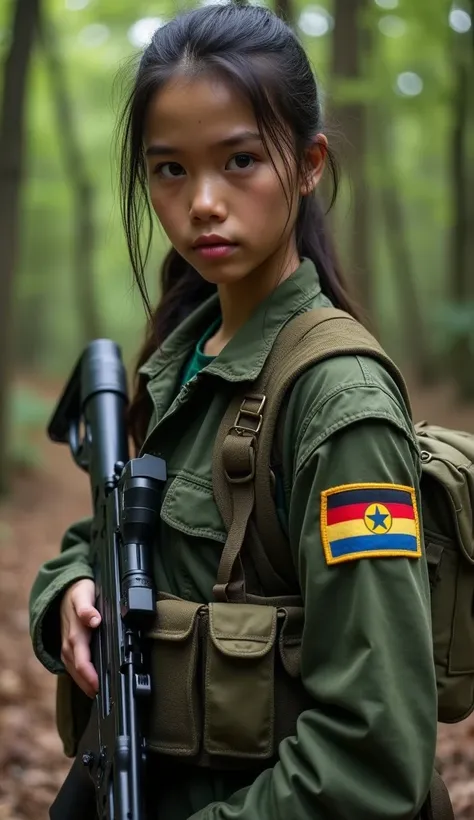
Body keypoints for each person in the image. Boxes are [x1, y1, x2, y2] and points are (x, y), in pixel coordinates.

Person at [29, 4, 438, 819]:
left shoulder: (339, 402)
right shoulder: (183, 358)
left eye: (241, 160)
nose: (203, 202)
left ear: (310, 163)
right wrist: (73, 590)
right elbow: (115, 534)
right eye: (170, 170)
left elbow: (374, 750)